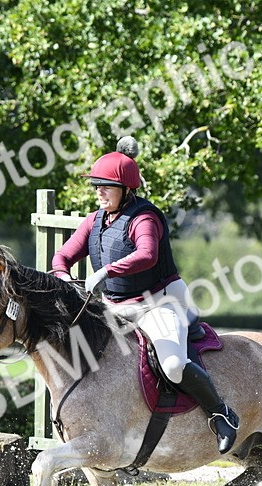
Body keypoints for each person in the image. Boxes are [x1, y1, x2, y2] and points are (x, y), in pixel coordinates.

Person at [51, 138, 240, 454]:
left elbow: (147, 254)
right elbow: (62, 256)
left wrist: (106, 271)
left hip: (159, 303)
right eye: (96, 185)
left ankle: (222, 414)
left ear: (126, 189)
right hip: (115, 306)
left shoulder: (144, 218)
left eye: (106, 186)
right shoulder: (94, 221)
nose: (99, 192)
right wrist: (64, 276)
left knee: (173, 364)